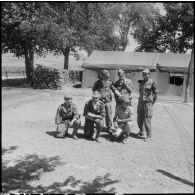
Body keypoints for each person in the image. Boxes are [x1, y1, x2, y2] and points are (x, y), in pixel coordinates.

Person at [92, 69, 121, 133]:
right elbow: (94, 91)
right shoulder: (97, 83)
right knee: (98, 114)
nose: (107, 77)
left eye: (108, 76)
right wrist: (97, 95)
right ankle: (97, 127)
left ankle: (109, 127)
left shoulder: (110, 82)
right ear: (102, 76)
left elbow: (115, 90)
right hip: (99, 102)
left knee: (108, 115)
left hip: (107, 102)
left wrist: (120, 95)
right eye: (106, 76)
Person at [137, 68, 158, 141]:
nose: (144, 75)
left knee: (147, 120)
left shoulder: (152, 82)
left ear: (149, 74)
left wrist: (152, 103)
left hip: (148, 103)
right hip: (141, 102)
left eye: (146, 74)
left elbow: (156, 94)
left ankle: (149, 136)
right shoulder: (141, 82)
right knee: (139, 119)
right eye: (143, 74)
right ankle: (141, 131)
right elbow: (140, 91)